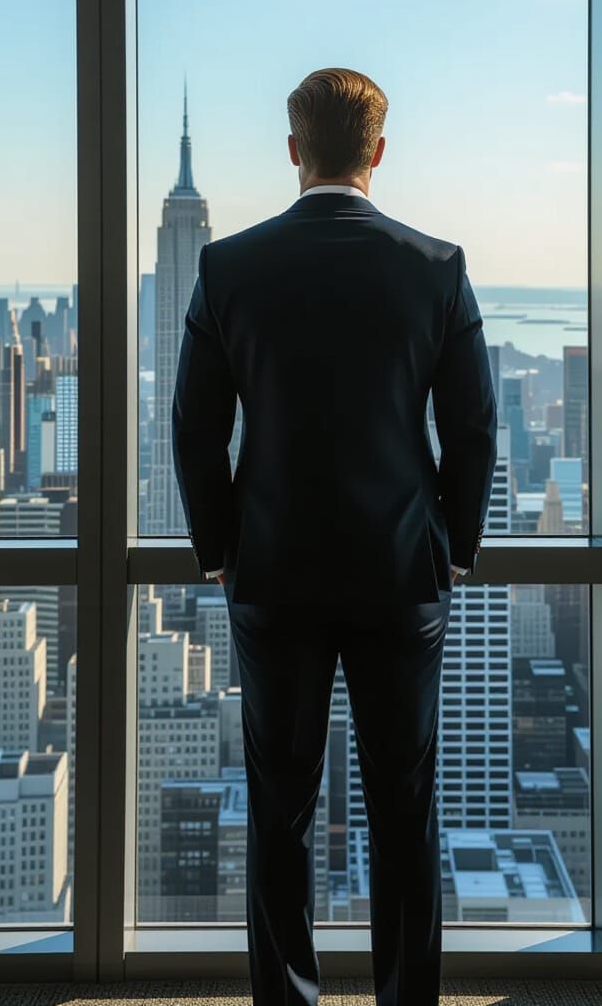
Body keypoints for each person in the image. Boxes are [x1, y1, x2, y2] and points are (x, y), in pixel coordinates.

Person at [172, 67, 497, 1006]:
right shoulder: (435, 266)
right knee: (405, 812)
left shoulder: (229, 267)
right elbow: (471, 428)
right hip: (401, 574)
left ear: (292, 151)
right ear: (378, 154)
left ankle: (289, 1001)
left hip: (274, 573)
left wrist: (220, 549)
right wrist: (458, 546)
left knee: (281, 812)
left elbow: (194, 428)